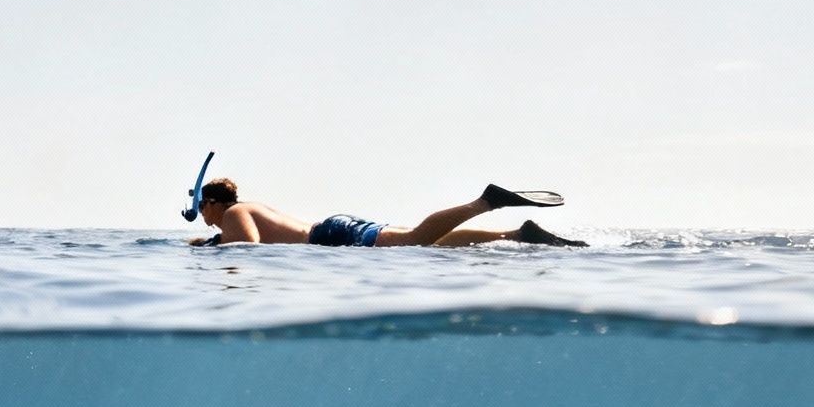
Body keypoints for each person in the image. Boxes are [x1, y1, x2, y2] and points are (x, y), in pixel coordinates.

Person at [189, 179, 587, 247]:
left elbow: (248, 247)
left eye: (199, 207)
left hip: (331, 237)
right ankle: (517, 235)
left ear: (211, 203)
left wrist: (211, 246)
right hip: (335, 230)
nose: (201, 214)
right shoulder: (245, 209)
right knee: (427, 242)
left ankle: (485, 201)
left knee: (415, 240)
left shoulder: (234, 212)